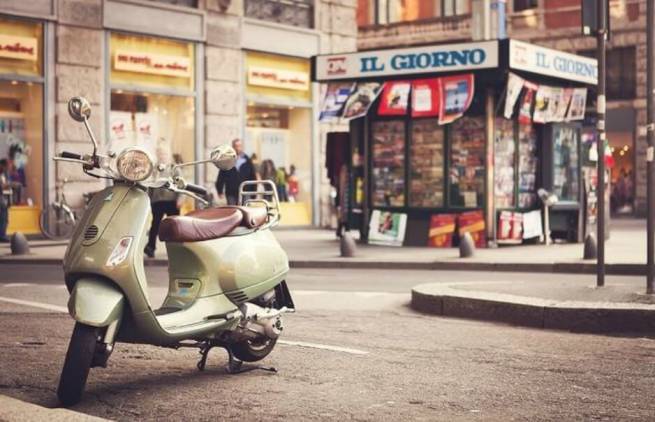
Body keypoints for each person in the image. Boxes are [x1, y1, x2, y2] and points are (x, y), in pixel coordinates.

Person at [144, 146, 180, 258]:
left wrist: (180, 199)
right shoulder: (154, 169)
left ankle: (176, 249)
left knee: (173, 227)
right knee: (155, 225)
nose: (162, 156)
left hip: (172, 201)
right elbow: (150, 186)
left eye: (164, 154)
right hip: (158, 201)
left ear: (168, 155)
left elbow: (182, 185)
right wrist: (149, 200)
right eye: (160, 154)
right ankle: (150, 248)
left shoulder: (174, 168)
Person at [215, 138, 257, 205]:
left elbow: (253, 177)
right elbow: (221, 176)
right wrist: (220, 191)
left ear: (242, 147)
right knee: (233, 211)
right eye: (236, 146)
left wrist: (254, 193)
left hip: (245, 192)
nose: (237, 148)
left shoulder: (248, 160)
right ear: (233, 147)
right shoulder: (227, 160)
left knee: (245, 211)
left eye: (239, 146)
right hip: (231, 192)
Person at [0, 159, 10, 242]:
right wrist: (7, 184)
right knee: (4, 217)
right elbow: (2, 186)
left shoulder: (4, 174)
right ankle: (2, 235)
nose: (7, 168)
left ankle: (2, 234)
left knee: (4, 216)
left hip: (2, 196)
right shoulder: (1, 173)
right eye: (6, 166)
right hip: (1, 198)